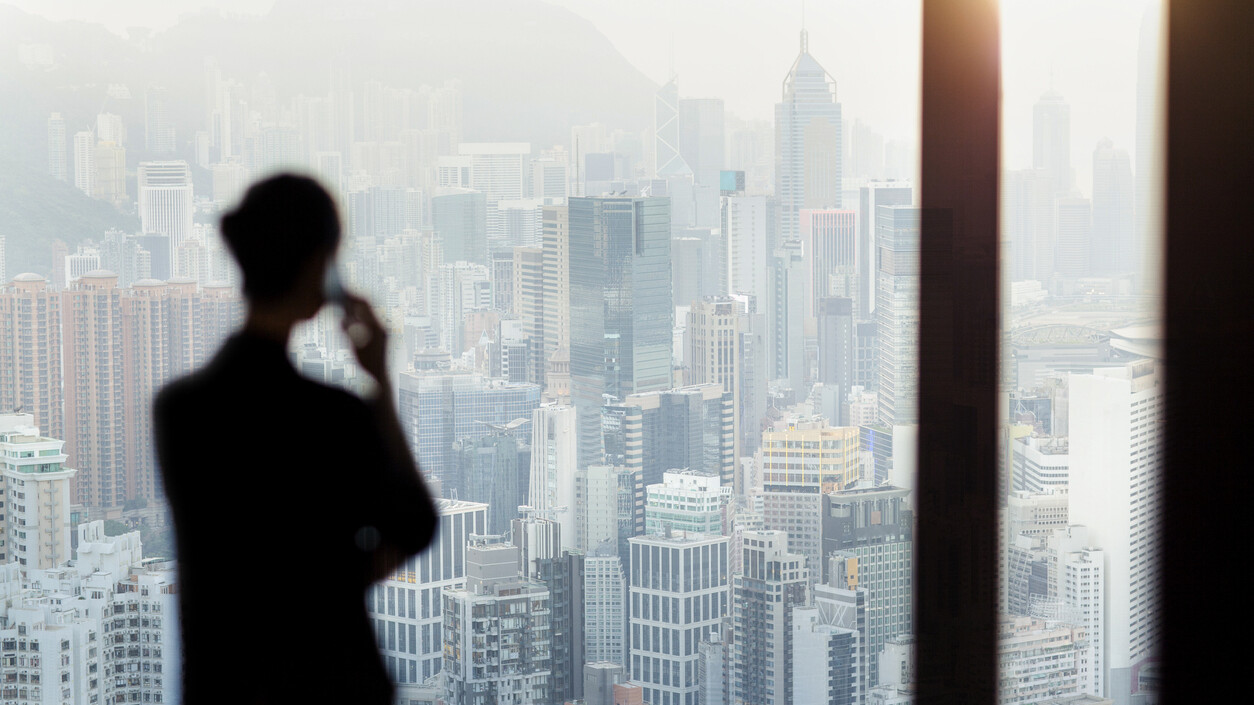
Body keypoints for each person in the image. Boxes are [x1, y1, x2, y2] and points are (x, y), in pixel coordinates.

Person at [154, 174, 436, 705]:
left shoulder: (178, 410)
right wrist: (380, 382)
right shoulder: (336, 416)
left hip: (224, 689)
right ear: (317, 267)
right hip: (334, 686)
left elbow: (237, 558)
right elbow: (416, 524)